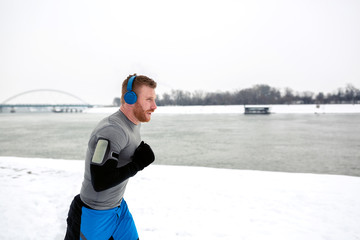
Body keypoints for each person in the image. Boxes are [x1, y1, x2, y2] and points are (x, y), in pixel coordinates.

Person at [65, 74, 157, 240]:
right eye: (149, 99)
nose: (154, 106)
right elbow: (100, 181)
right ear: (130, 99)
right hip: (93, 215)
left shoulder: (134, 123)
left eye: (154, 99)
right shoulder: (112, 130)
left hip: (118, 209)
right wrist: (137, 164)